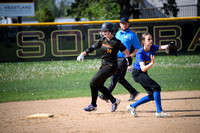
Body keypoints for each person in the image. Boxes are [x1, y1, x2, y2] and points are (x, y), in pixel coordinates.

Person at [77, 22, 133, 112]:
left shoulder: (116, 42)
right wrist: (83, 54)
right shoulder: (103, 40)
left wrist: (129, 65)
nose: (103, 33)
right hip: (104, 65)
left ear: (111, 31)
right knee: (98, 85)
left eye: (105, 31)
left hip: (111, 66)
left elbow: (127, 54)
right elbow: (93, 47)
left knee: (93, 82)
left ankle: (93, 105)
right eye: (103, 31)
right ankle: (114, 101)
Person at [126, 32, 172, 118]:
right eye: (148, 39)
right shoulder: (140, 52)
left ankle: (132, 106)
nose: (151, 41)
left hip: (143, 73)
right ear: (143, 41)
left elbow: (161, 47)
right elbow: (143, 68)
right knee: (156, 87)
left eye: (151, 39)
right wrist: (152, 63)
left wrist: (169, 45)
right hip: (138, 74)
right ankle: (159, 112)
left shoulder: (152, 47)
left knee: (151, 95)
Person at [99, 17, 140, 102]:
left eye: (126, 23)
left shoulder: (132, 35)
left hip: (123, 59)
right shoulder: (117, 33)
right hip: (115, 58)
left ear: (128, 24)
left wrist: (131, 56)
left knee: (114, 76)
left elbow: (137, 48)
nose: (124, 25)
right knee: (119, 78)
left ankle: (106, 95)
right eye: (122, 23)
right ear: (120, 24)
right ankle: (133, 91)